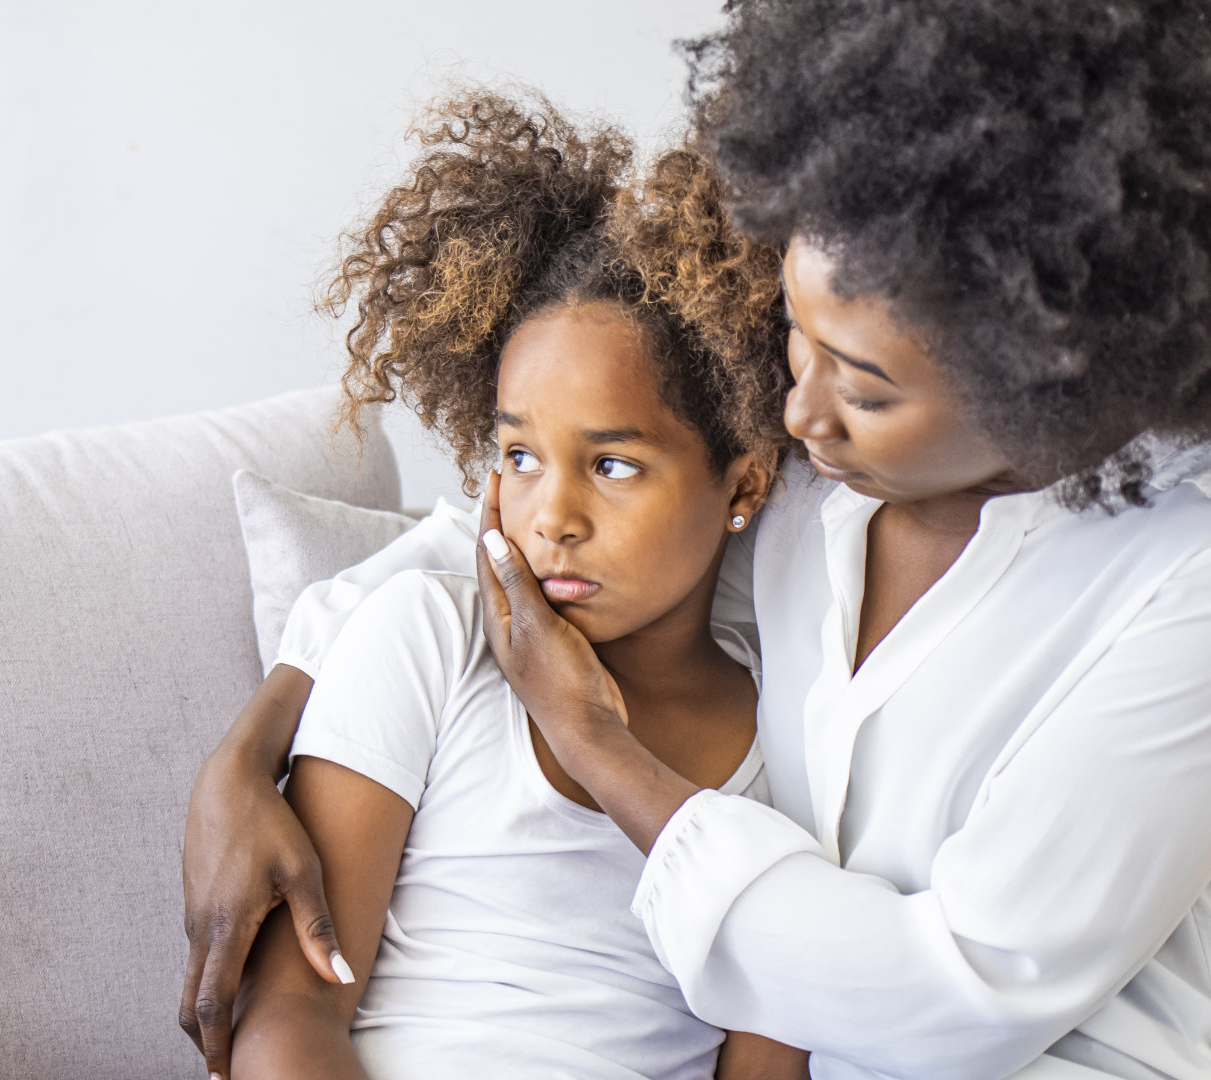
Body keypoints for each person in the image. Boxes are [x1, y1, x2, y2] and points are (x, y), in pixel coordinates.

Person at [182, 2, 1211, 1078]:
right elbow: (493, 537)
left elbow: (964, 995)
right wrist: (247, 755)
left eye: (865, 389)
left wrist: (593, 742)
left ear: (1044, 377)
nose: (799, 412)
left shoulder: (1200, 584)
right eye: (797, 337)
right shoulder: (812, 479)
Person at [224, 90, 807, 1080]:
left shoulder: (790, 743)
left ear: (744, 485)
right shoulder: (425, 640)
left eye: (613, 465)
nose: (552, 517)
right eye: (521, 457)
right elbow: (288, 1011)